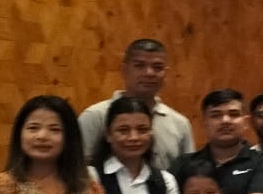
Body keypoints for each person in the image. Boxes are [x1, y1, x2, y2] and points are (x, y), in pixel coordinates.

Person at [78, 38, 195, 170]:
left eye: (157, 67)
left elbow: (189, 173)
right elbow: (76, 169)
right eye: (139, 66)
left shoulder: (180, 124)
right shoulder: (95, 116)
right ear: (124, 70)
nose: (149, 73)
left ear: (165, 73)